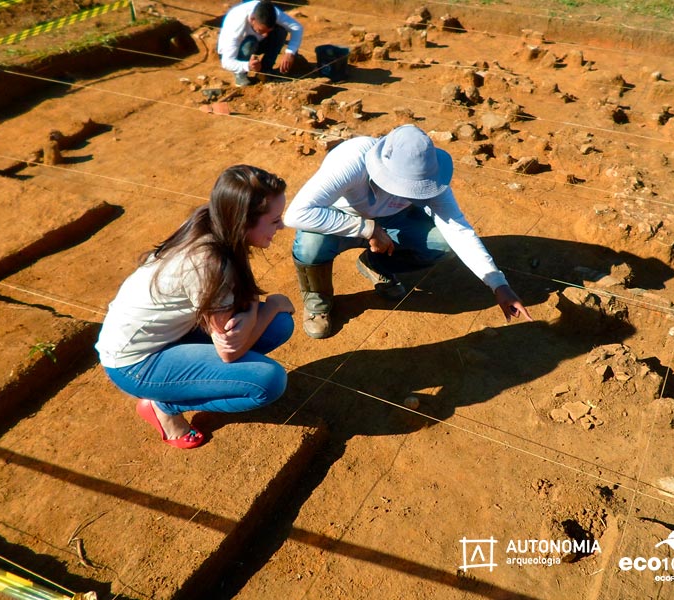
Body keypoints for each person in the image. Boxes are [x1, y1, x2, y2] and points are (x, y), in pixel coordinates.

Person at [96, 165, 295, 449]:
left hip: (171, 334)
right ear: (243, 222)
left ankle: (183, 382)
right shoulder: (210, 264)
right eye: (275, 220)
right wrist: (269, 305)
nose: (282, 226)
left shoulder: (212, 223)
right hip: (135, 363)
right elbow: (229, 351)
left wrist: (256, 308)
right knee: (269, 382)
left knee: (278, 326)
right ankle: (164, 404)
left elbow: (241, 301)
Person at [283, 124, 532, 339]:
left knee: (443, 243)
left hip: (393, 221)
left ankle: (377, 265)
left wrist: (498, 284)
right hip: (338, 219)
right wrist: (368, 229)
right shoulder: (352, 160)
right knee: (310, 245)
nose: (415, 192)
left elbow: (458, 229)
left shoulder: (431, 176)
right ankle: (317, 299)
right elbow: (297, 213)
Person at [217, 0, 303, 87]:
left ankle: (265, 70)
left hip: (258, 44)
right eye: (261, 30)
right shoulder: (235, 24)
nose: (265, 35)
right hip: (238, 50)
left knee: (280, 32)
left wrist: (290, 52)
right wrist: (248, 66)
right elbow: (226, 62)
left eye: (268, 31)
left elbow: (297, 27)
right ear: (252, 19)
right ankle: (240, 74)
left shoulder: (272, 12)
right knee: (250, 43)